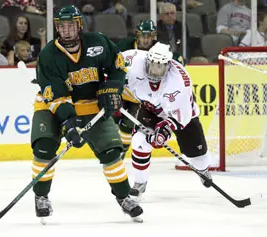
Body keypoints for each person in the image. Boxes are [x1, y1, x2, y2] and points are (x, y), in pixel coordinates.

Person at [30, 5, 143, 221]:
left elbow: (118, 66)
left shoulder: (98, 43)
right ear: (57, 29)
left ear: (79, 25)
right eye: (62, 26)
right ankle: (41, 197)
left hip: (91, 105)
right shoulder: (48, 56)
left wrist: (112, 89)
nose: (67, 31)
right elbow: (55, 95)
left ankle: (124, 197)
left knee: (111, 151)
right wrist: (69, 123)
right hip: (52, 106)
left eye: (71, 25)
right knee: (44, 148)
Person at [121, 42, 212, 196]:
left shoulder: (179, 82)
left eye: (160, 66)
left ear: (168, 65)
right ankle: (140, 183)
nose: (155, 70)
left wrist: (163, 133)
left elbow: (178, 119)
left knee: (198, 156)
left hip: (182, 116)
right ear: (147, 60)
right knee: (139, 141)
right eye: (152, 65)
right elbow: (110, 67)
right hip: (150, 109)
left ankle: (203, 169)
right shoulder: (133, 60)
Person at [115, 19, 185, 161]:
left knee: (129, 123)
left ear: (154, 36)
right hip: (124, 90)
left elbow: (175, 62)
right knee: (114, 119)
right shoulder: (124, 47)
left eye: (149, 36)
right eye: (143, 35)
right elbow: (113, 68)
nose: (146, 40)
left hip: (141, 96)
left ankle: (122, 151)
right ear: (137, 35)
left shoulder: (159, 51)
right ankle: (119, 149)